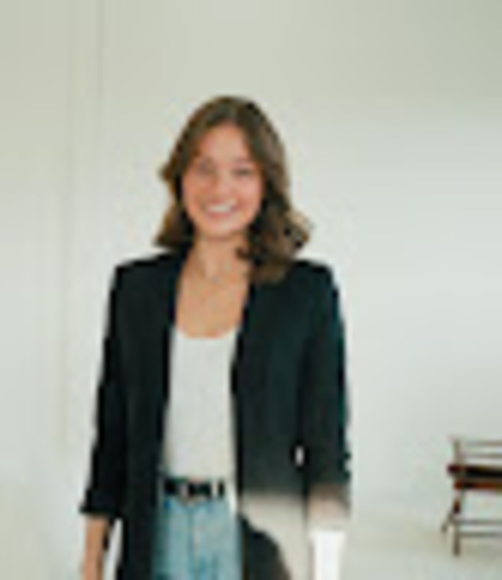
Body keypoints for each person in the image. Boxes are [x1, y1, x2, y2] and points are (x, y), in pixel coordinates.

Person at [79, 95, 351, 580]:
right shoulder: (136, 289)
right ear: (180, 177)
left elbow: (326, 451)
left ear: (266, 183)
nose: (220, 188)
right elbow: (112, 435)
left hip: (258, 543)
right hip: (156, 534)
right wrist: (92, 558)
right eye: (203, 168)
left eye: (242, 171)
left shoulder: (306, 293)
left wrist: (326, 569)